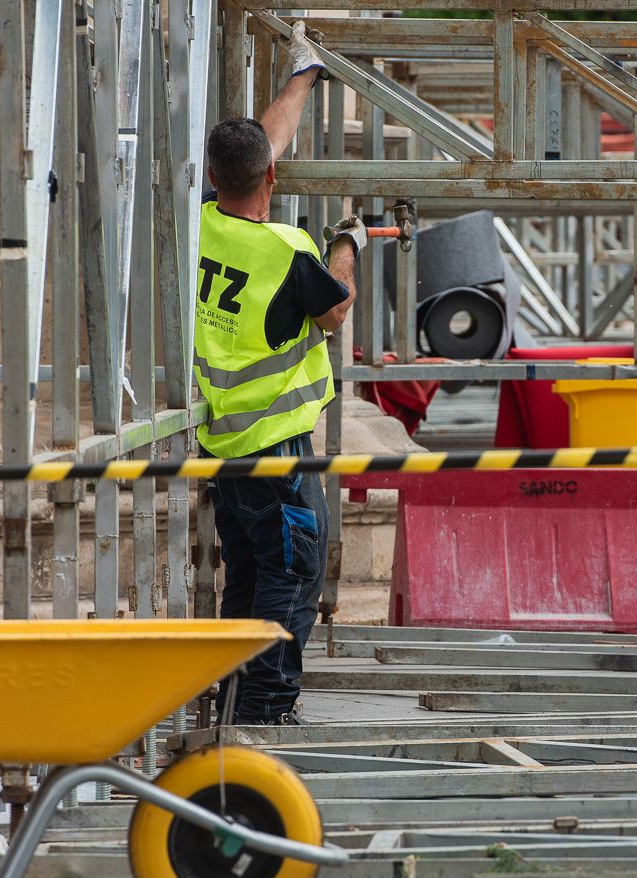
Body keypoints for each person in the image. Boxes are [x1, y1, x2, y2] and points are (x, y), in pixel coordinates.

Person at [196, 23, 365, 726]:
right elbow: (335, 311)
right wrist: (348, 241)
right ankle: (264, 711)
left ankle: (233, 700)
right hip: (276, 451)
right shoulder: (289, 251)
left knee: (245, 578)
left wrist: (303, 75)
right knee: (291, 575)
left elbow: (262, 144)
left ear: (213, 177)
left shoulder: (199, 223)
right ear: (271, 177)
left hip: (222, 449)